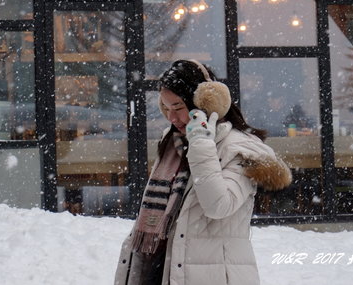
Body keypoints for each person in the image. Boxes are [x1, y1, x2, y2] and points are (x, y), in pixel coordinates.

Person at [114, 59, 292, 285]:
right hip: (168, 273)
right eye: (166, 108)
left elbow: (219, 206)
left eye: (178, 107)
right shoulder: (175, 146)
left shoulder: (240, 148)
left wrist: (201, 146)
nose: (171, 118)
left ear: (203, 103)